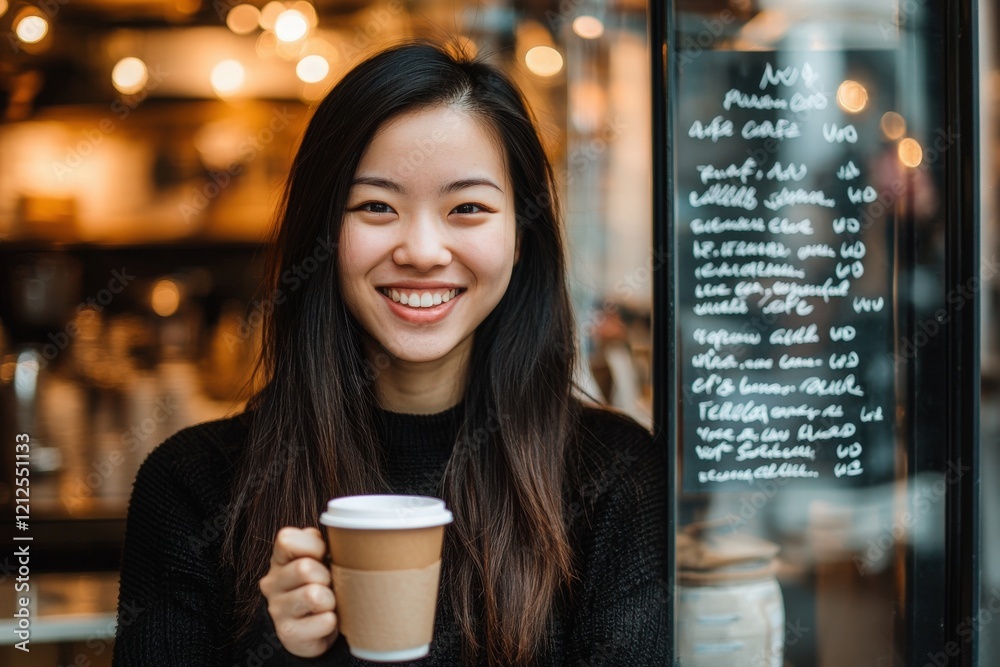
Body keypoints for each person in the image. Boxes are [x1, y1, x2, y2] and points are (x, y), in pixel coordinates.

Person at [113, 41, 669, 666]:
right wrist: (282, 652)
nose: (424, 250)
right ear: (323, 231)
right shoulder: (193, 487)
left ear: (521, 237)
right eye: (377, 205)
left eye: (468, 208)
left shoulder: (613, 478)